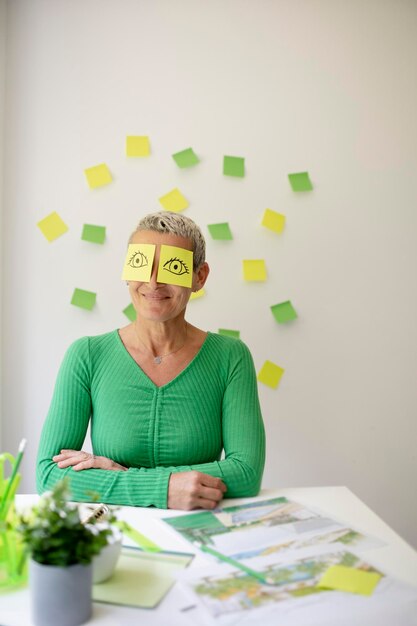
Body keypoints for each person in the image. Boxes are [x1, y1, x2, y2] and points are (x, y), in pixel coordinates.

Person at [36, 211, 265, 510]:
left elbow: (246, 474)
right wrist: (165, 487)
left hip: (201, 530)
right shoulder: (86, 355)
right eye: (141, 264)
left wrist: (124, 477)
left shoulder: (231, 357)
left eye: (173, 268)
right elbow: (49, 475)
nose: (153, 282)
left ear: (199, 277)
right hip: (112, 534)